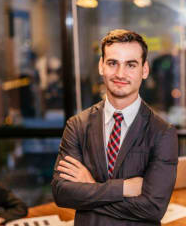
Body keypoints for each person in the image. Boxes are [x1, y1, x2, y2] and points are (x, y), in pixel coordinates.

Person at [51, 29, 178, 225]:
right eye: (112, 63)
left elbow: (153, 208)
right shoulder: (77, 125)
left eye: (131, 65)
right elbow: (62, 194)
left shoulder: (162, 133)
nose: (120, 74)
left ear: (144, 70)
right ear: (101, 66)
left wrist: (90, 187)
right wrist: (124, 188)